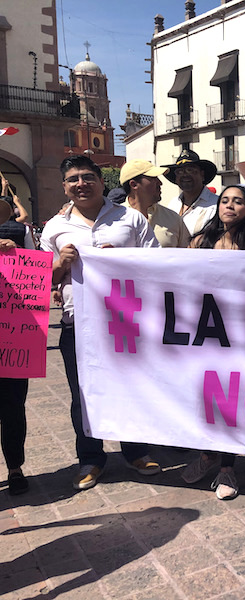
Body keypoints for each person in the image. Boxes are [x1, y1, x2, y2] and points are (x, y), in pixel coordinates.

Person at [39, 156, 161, 491]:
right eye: (74, 179)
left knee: (131, 387)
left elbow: (156, 265)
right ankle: (91, 459)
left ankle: (136, 451)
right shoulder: (53, 228)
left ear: (101, 181)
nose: (81, 184)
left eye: (88, 177)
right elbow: (41, 281)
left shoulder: (131, 219)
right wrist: (59, 265)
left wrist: (122, 260)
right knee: (82, 394)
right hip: (77, 323)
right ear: (65, 186)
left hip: (125, 321)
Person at [181, 185, 245, 500]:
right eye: (225, 200)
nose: (230, 206)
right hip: (202, 334)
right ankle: (207, 454)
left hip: (239, 338)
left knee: (230, 401)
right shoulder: (198, 244)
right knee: (205, 398)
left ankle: (227, 468)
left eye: (239, 201)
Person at [0, 199, 31, 495]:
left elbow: (37, 273)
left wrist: (17, 255)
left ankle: (15, 467)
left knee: (12, 408)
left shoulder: (19, 235)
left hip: (13, 337)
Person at [120, 160, 190, 248]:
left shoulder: (174, 219)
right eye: (153, 178)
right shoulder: (112, 219)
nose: (160, 183)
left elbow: (188, 256)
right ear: (134, 185)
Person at [161, 149, 219, 235]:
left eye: (190, 170)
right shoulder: (173, 204)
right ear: (176, 179)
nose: (185, 175)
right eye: (179, 172)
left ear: (202, 175)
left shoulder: (216, 204)